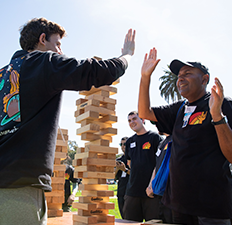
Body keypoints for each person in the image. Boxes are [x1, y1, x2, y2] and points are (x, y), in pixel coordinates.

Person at [0, 17, 135, 225]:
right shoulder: (43, 61)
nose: (60, 51)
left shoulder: (3, 74)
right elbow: (94, 72)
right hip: (18, 189)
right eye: (58, 43)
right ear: (43, 39)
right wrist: (126, 56)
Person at [138, 47, 232, 225]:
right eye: (178, 75)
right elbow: (144, 112)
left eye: (187, 73)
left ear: (204, 79)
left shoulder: (222, 104)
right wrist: (145, 78)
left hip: (211, 207)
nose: (180, 78)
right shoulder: (179, 108)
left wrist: (217, 116)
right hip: (179, 205)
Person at [123, 111, 163, 222]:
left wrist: (152, 184)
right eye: (129, 120)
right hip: (133, 192)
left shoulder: (155, 138)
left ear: (143, 120)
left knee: (154, 222)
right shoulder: (129, 142)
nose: (132, 122)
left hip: (151, 192)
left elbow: (161, 163)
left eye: (134, 118)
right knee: (129, 222)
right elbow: (130, 163)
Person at [146, 132, 173, 224]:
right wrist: (151, 185)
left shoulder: (176, 138)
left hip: (171, 192)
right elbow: (156, 166)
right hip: (160, 194)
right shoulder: (162, 143)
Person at [115, 136, 130, 219]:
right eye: (121, 144)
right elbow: (113, 177)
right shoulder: (119, 160)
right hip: (121, 191)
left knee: (130, 218)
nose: (123, 146)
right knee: (123, 217)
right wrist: (117, 169)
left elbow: (136, 174)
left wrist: (125, 169)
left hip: (131, 192)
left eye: (125, 144)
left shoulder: (133, 158)